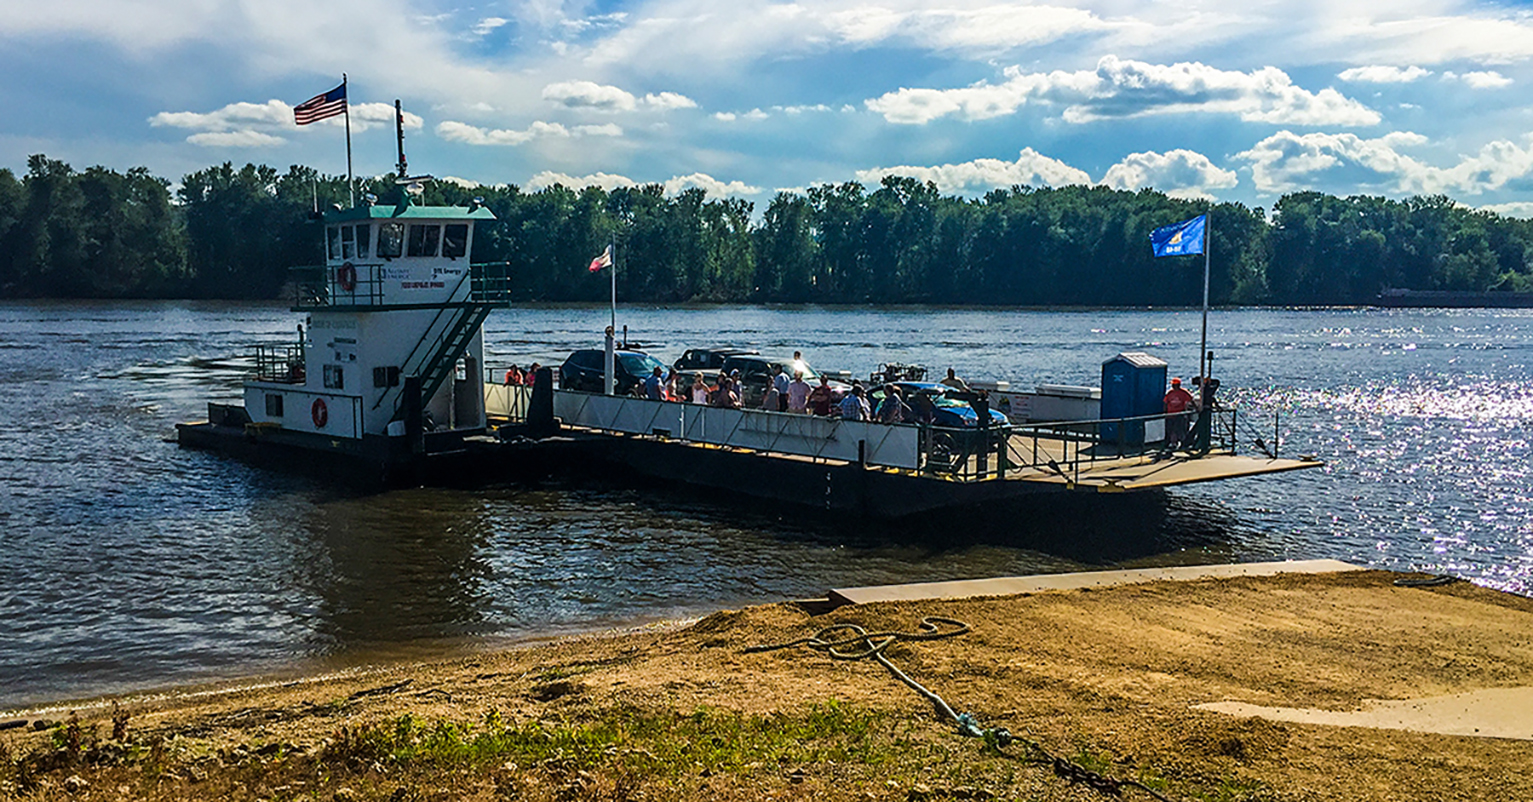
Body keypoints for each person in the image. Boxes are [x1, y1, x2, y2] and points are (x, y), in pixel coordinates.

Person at [1163, 377, 1195, 449]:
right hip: (1170, 415)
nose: (1173, 386)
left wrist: (1195, 408)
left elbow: (1190, 400)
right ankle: (1173, 443)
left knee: (1181, 429)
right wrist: (1165, 412)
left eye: (1174, 385)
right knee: (1171, 430)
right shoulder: (1170, 393)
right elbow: (1165, 402)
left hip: (1180, 415)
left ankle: (1183, 443)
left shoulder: (1184, 392)